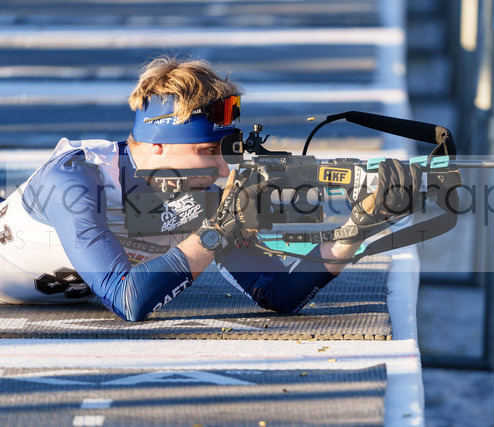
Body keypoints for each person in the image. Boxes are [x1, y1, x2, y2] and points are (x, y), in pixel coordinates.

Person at [0, 56, 420, 321]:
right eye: (206, 151)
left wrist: (355, 232)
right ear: (156, 144)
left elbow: (279, 294)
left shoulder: (197, 195)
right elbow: (128, 300)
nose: (222, 168)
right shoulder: (74, 179)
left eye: (227, 151)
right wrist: (216, 232)